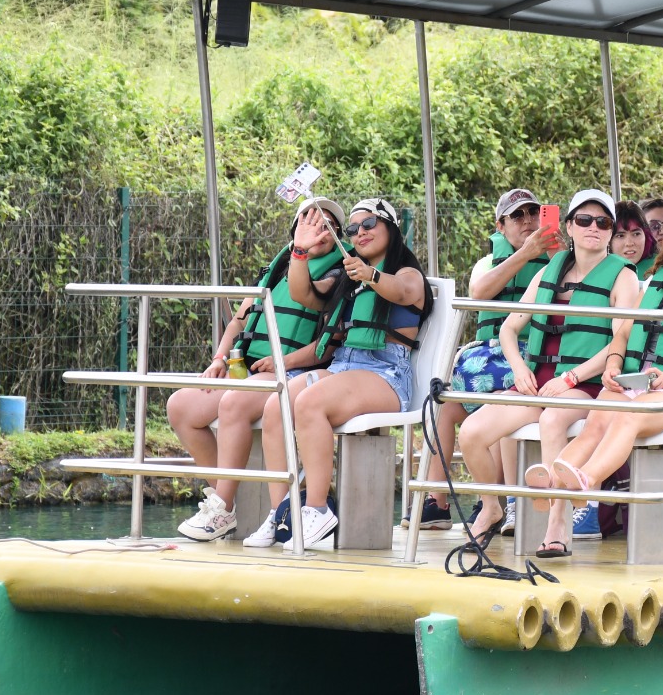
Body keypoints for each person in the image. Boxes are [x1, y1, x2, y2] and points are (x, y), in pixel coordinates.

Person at [531, 198, 663, 549]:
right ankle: (556, 485)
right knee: (596, 423)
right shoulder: (654, 283)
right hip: (639, 383)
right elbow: (623, 332)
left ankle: (586, 482)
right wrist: (615, 363)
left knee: (628, 419)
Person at [457, 189, 641, 551]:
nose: (594, 228)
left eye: (603, 222)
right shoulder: (547, 272)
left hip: (586, 385)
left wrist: (571, 377)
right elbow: (510, 329)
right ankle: (492, 506)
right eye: (584, 220)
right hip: (539, 383)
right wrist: (519, 368)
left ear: (610, 231)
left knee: (552, 420)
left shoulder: (624, 278)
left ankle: (557, 522)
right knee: (472, 431)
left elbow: (621, 340)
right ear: (569, 226)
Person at [253, 198, 433, 549]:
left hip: (386, 374)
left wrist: (372, 274)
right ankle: (284, 513)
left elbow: (404, 291)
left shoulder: (406, 273)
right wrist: (301, 252)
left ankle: (317, 508)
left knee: (309, 403)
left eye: (369, 225)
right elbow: (302, 292)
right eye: (352, 229)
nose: (360, 233)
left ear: (390, 228)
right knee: (277, 406)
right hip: (343, 366)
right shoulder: (347, 278)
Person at [170, 197, 347, 542]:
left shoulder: (337, 272)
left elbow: (331, 336)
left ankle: (223, 506)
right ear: (295, 229)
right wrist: (220, 358)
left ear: (339, 235)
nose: (319, 230)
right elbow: (241, 319)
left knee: (234, 402)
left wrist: (285, 362)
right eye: (310, 222)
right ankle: (224, 505)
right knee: (181, 406)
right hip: (250, 369)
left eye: (328, 225)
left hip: (291, 370)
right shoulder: (279, 265)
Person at [420, 188, 560, 532]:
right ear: (501, 225)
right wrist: (526, 254)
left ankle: (502, 503)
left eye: (533, 213)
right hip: (489, 359)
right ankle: (436, 500)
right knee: (442, 408)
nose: (527, 221)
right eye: (517, 216)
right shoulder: (489, 262)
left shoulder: (560, 262)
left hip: (531, 360)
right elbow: (479, 293)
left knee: (497, 405)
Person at [611, 199, 659, 280]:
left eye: (636, 234)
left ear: (646, 235)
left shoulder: (661, 268)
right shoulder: (599, 270)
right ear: (609, 240)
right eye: (620, 236)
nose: (629, 243)